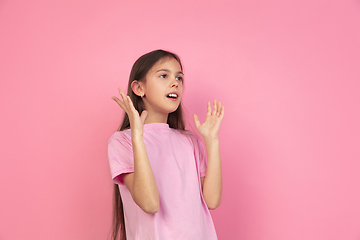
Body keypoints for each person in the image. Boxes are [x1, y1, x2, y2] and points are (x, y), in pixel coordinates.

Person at [108, 49, 224, 240]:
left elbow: (212, 201)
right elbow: (150, 204)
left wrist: (212, 141)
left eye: (179, 78)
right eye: (164, 75)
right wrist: (138, 137)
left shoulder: (190, 141)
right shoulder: (122, 141)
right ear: (138, 88)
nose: (175, 83)